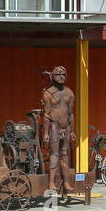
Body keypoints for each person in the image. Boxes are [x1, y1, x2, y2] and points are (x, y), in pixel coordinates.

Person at [41, 65, 76, 197]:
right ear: (53, 77)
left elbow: (71, 113)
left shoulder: (70, 93)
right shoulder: (48, 93)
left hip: (66, 127)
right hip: (54, 126)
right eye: (59, 74)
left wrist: (72, 130)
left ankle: (66, 182)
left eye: (64, 74)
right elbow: (47, 114)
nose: (62, 77)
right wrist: (45, 132)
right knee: (55, 154)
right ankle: (51, 182)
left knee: (64, 153)